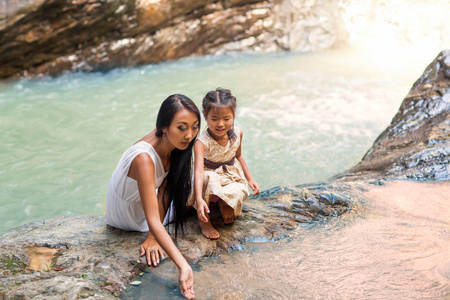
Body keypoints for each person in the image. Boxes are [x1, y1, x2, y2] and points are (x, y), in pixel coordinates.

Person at [106, 94, 199, 299]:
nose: (189, 135)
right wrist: (183, 265)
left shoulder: (173, 142)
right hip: (128, 215)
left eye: (194, 126)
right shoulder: (144, 158)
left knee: (204, 188)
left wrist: (153, 235)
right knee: (202, 193)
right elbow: (153, 220)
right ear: (164, 127)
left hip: (147, 203)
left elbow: (166, 189)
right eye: (182, 127)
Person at [188, 88, 260, 239]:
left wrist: (250, 179)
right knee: (210, 178)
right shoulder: (202, 142)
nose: (220, 124)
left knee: (240, 191)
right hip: (207, 176)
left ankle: (223, 202)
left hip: (229, 175)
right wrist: (199, 199)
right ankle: (204, 220)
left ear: (234, 115)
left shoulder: (237, 133)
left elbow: (239, 156)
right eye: (214, 119)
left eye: (226, 119)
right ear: (204, 115)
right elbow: (199, 172)